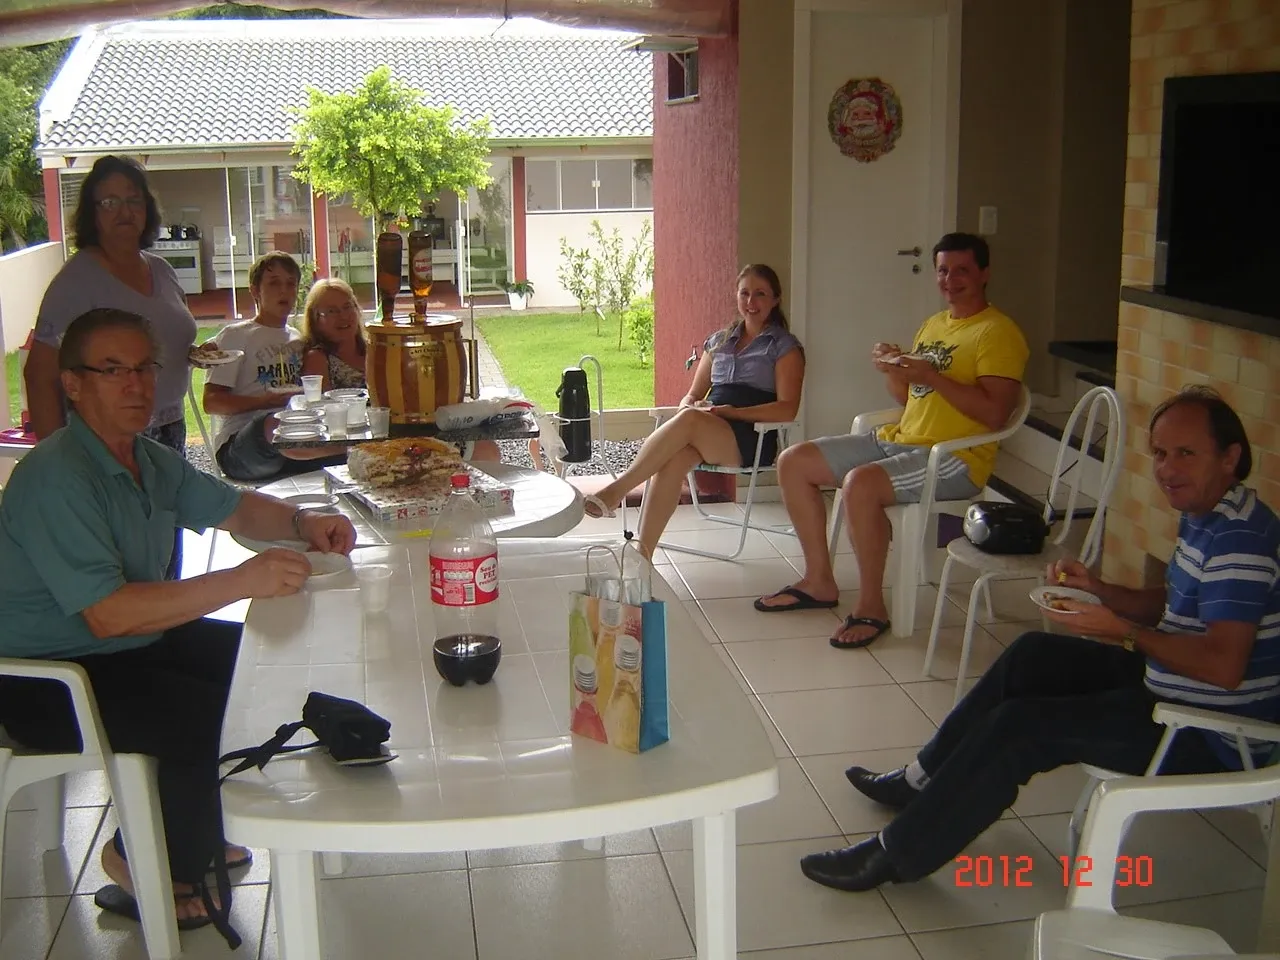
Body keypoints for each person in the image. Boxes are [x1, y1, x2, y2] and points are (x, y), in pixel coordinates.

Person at [797, 387, 1280, 893]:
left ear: (1231, 457)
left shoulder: (1237, 544)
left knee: (1020, 728)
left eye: (1186, 453)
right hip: (1171, 683)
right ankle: (920, 779)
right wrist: (1099, 590)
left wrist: (1127, 635)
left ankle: (894, 856)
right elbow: (1176, 604)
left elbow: (1225, 667)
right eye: (1159, 453)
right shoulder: (1214, 513)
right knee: (1033, 654)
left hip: (1209, 733)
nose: (1167, 468)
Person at [0, 308, 357, 929]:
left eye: (144, 368)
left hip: (122, 646)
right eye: (113, 370)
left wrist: (303, 525)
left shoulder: (143, 457)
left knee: (260, 667)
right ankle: (146, 858)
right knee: (201, 716)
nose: (137, 385)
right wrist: (242, 581)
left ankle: (188, 831)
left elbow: (236, 509)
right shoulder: (57, 478)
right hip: (45, 676)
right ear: (73, 383)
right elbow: (108, 615)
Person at [755, 233, 1028, 649]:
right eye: (943, 270)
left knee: (860, 485)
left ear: (984, 273)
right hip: (900, 439)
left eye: (961, 271)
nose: (950, 280)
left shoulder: (997, 332)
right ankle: (819, 581)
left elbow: (996, 413)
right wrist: (895, 370)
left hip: (955, 457)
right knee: (793, 461)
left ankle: (871, 606)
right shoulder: (934, 325)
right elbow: (908, 398)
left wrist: (932, 376)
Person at [24, 154, 198, 579]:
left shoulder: (161, 270)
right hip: (107, 442)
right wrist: (58, 462)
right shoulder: (76, 280)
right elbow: (37, 372)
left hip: (168, 430)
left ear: (147, 210)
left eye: (133, 200)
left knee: (164, 553)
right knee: (123, 564)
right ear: (92, 213)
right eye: (109, 202)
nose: (124, 212)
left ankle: (167, 638)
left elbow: (170, 338)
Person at [582, 264, 805, 558]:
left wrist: (731, 413)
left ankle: (617, 490)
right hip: (710, 426)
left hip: (750, 436)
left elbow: (787, 410)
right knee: (674, 461)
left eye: (760, 294)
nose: (751, 302)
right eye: (745, 293)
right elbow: (691, 396)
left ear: (776, 299)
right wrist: (694, 405)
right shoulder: (719, 342)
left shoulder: (783, 347)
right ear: (736, 296)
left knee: (688, 420)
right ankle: (643, 556)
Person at [296, 277, 500, 462]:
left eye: (347, 306)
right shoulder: (318, 358)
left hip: (410, 436)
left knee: (487, 449)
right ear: (315, 319)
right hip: (368, 446)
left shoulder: (380, 349)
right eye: (331, 311)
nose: (343, 316)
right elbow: (325, 417)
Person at [203, 252, 348, 482]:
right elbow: (211, 402)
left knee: (327, 420)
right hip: (242, 446)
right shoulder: (236, 335)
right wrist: (264, 401)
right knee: (276, 422)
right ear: (255, 291)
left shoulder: (298, 339)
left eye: (291, 284)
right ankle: (347, 451)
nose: (284, 291)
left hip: (293, 443)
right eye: (274, 283)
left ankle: (347, 453)